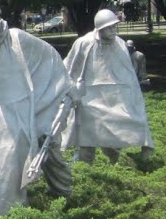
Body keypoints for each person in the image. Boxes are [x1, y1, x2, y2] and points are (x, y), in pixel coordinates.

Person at [0, 0, 74, 217]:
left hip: (29, 108)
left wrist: (64, 87)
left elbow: (49, 60)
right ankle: (6, 209)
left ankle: (66, 197)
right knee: (3, 153)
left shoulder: (17, 39)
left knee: (48, 151)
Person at [62, 9, 153, 163]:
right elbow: (69, 68)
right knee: (86, 138)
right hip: (89, 100)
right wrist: (69, 90)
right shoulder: (85, 43)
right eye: (108, 28)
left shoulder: (120, 44)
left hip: (114, 100)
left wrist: (131, 97)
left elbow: (128, 76)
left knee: (129, 125)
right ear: (100, 28)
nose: (112, 31)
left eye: (114, 27)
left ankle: (120, 163)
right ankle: (85, 169)